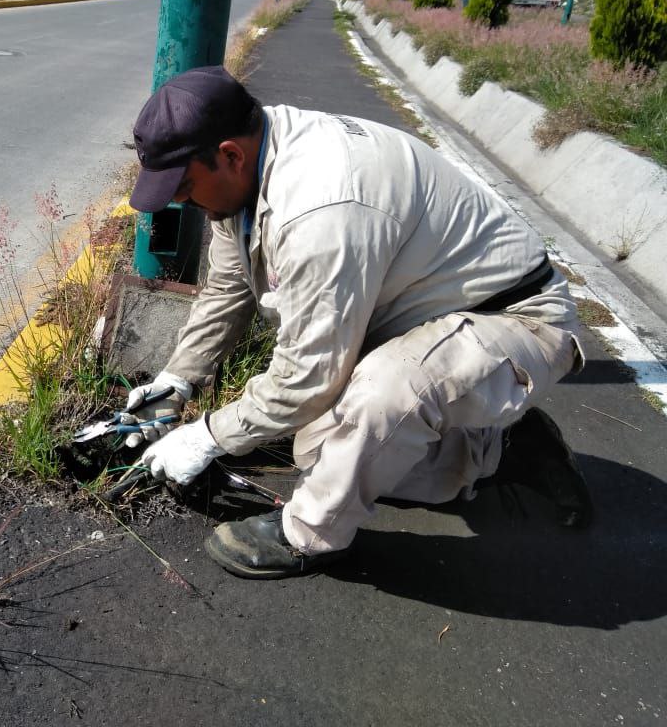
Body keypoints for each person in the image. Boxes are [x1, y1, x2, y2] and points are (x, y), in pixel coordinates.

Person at [123, 65, 593, 580]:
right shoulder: (253, 167)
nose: (183, 202)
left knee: (379, 403)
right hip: (428, 312)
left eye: (186, 187)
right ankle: (504, 448)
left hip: (514, 316)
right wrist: (177, 380)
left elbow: (308, 379)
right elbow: (227, 288)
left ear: (230, 155)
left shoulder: (320, 206)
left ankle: (311, 534)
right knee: (318, 445)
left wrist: (208, 436)